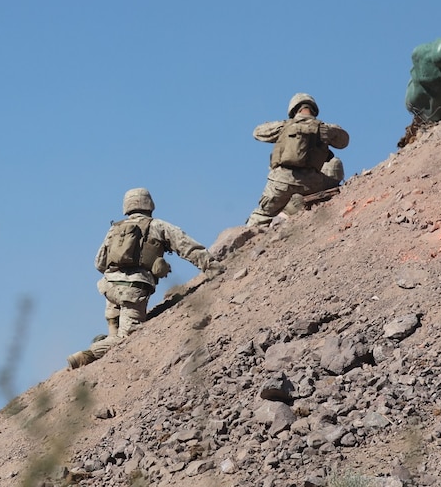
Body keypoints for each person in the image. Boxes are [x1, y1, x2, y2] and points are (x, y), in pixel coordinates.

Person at [67, 188, 222, 369]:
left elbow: (99, 264)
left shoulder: (115, 229)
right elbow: (187, 247)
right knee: (126, 337)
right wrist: (213, 268)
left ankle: (108, 336)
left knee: (114, 330)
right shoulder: (158, 226)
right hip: (133, 290)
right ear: (149, 204)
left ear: (126, 206)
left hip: (109, 289)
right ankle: (87, 355)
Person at [246, 92, 350, 227]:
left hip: (280, 182)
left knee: (262, 215)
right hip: (311, 183)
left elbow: (257, 132)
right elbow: (344, 142)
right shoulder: (324, 129)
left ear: (294, 110)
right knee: (333, 177)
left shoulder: (284, 126)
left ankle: (249, 236)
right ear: (314, 109)